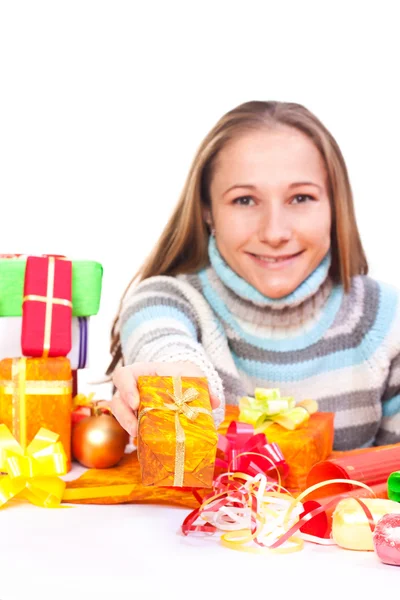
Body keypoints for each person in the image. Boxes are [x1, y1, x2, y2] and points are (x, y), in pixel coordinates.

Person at [107, 100, 400, 450]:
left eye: (301, 198)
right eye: (245, 200)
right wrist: (183, 382)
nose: (274, 232)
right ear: (207, 211)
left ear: (335, 206)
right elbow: (163, 345)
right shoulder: (165, 301)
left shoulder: (387, 319)